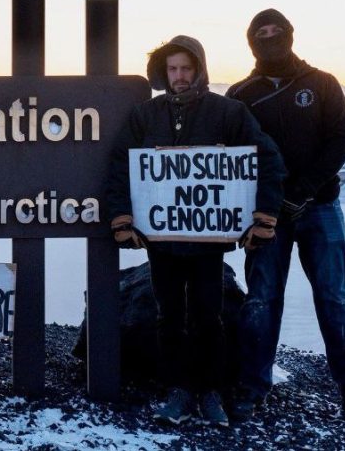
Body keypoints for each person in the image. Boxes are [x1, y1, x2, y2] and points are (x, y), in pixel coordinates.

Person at [106, 35, 285, 427]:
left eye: (186, 68)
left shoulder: (228, 112)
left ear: (199, 69)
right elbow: (120, 164)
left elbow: (267, 158)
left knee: (209, 317)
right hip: (162, 240)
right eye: (172, 69)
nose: (179, 76)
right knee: (168, 316)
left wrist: (263, 216)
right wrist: (121, 218)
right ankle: (177, 389)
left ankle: (210, 392)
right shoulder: (145, 115)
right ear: (163, 72)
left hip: (207, 242)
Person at [226, 9, 345, 423]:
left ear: (291, 35)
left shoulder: (322, 84)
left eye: (276, 31)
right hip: (266, 214)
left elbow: (341, 140)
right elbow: (228, 153)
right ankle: (252, 386)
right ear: (251, 41)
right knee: (262, 298)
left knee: (335, 298)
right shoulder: (240, 94)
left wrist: (303, 191)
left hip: (320, 207)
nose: (269, 38)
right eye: (260, 33)